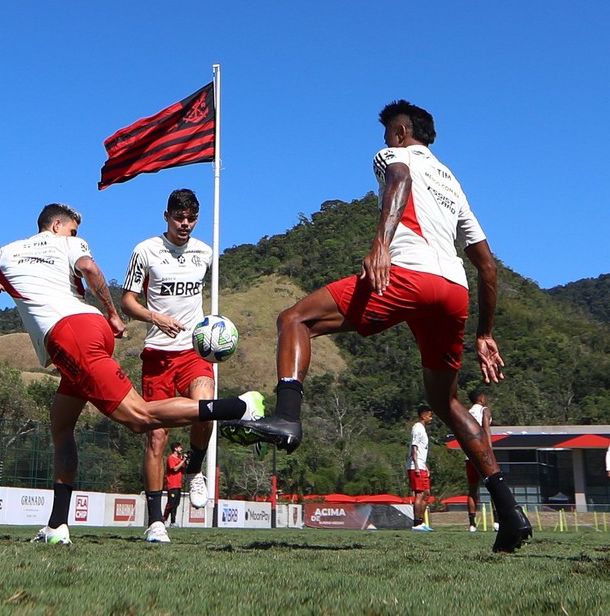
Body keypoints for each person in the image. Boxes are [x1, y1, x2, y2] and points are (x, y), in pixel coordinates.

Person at [222, 100, 532, 553]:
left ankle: (287, 416)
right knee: (444, 402)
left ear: (403, 132)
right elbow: (486, 267)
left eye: (389, 132)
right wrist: (485, 333)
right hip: (453, 292)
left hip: (408, 275)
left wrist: (380, 245)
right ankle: (509, 511)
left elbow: (399, 182)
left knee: (294, 319)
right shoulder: (453, 183)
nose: (385, 140)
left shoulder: (395, 157)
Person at [0, 203, 265, 545]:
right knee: (60, 422)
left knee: (139, 417)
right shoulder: (69, 244)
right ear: (57, 225)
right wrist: (111, 315)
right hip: (89, 328)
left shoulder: (5, 253)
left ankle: (239, 408)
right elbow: (86, 268)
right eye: (73, 229)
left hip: (70, 338)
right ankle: (57, 525)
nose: (75, 234)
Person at [120, 188, 214, 543]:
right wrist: (154, 316)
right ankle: (156, 521)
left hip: (193, 351)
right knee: (156, 439)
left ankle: (195, 468)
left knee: (205, 408)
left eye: (191, 218)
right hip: (158, 354)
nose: (185, 224)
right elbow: (127, 300)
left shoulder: (204, 252)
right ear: (166, 216)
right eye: (179, 217)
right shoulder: (145, 251)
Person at [465, 388, 497, 532]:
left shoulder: (466, 413)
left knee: (472, 490)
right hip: (483, 453)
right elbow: (486, 429)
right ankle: (496, 521)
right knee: (493, 488)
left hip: (469, 454)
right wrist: (490, 451)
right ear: (481, 398)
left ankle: (472, 524)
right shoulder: (484, 410)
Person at [408, 406, 434, 532]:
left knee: (426, 493)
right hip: (416, 466)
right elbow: (414, 448)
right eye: (429, 416)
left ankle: (422, 521)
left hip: (422, 465)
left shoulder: (423, 429)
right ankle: (416, 522)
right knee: (419, 494)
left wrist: (425, 466)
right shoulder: (417, 428)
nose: (431, 418)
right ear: (423, 416)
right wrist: (417, 466)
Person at [161, 442, 187, 528]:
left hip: (178, 485)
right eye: (179, 447)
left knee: (176, 504)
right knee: (170, 503)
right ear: (175, 448)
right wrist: (182, 461)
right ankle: (163, 519)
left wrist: (185, 462)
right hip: (172, 485)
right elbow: (175, 469)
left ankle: (173, 521)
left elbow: (183, 471)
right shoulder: (170, 458)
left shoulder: (179, 460)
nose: (181, 449)